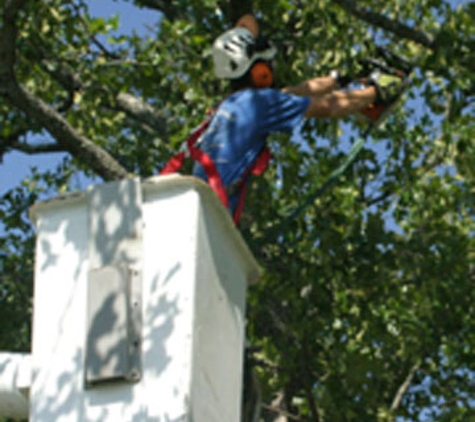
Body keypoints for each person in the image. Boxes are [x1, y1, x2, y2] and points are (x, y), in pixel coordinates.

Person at [188, 14, 404, 222]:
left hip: (198, 207)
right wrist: (376, 92)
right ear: (259, 71)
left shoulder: (234, 104)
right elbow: (329, 106)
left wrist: (340, 78)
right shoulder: (259, 104)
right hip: (211, 215)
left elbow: (292, 93)